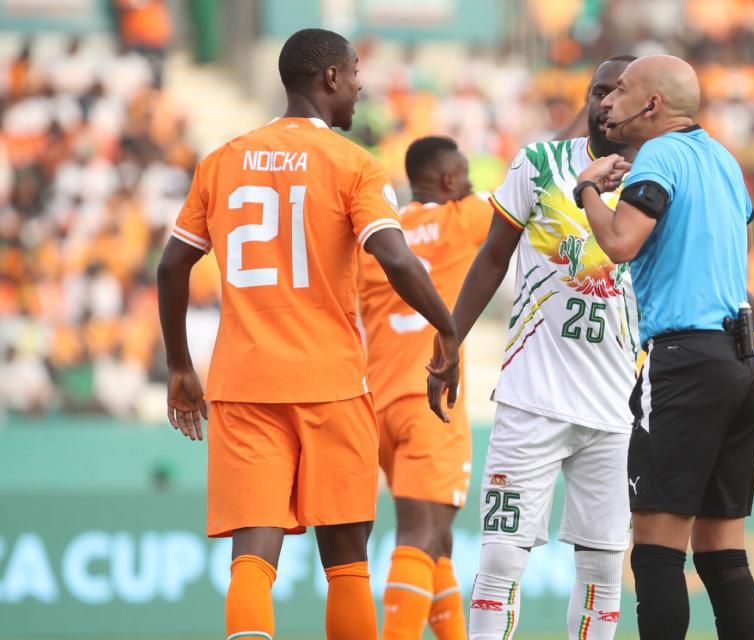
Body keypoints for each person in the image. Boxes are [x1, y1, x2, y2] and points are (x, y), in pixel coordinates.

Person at [156, 28, 458, 640]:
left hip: (243, 384)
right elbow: (397, 259)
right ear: (329, 79)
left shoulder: (222, 159)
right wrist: (449, 329)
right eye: (354, 73)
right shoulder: (352, 164)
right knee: (346, 563)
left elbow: (171, 265)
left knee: (252, 557)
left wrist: (180, 365)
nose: (359, 86)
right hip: (331, 383)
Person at [576, 54, 754, 640]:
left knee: (658, 550)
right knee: (721, 551)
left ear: (654, 105)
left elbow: (619, 243)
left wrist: (588, 191)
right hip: (742, 366)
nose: (607, 102)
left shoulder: (659, 155)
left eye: (621, 91)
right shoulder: (725, 162)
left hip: (684, 363)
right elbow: (728, 284)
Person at [426, 55, 637, 640]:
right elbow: (493, 256)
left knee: (602, 569)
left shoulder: (661, 182)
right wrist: (450, 342)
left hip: (617, 409)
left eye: (620, 92)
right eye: (598, 91)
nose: (606, 102)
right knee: (499, 559)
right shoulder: (541, 163)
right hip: (530, 399)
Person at [359, 136, 488, 640]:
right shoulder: (462, 219)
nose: (471, 182)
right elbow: (539, 172)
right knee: (420, 535)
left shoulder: (378, 237)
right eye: (466, 174)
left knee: (438, 544)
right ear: (449, 181)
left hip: (381, 403)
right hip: (431, 399)